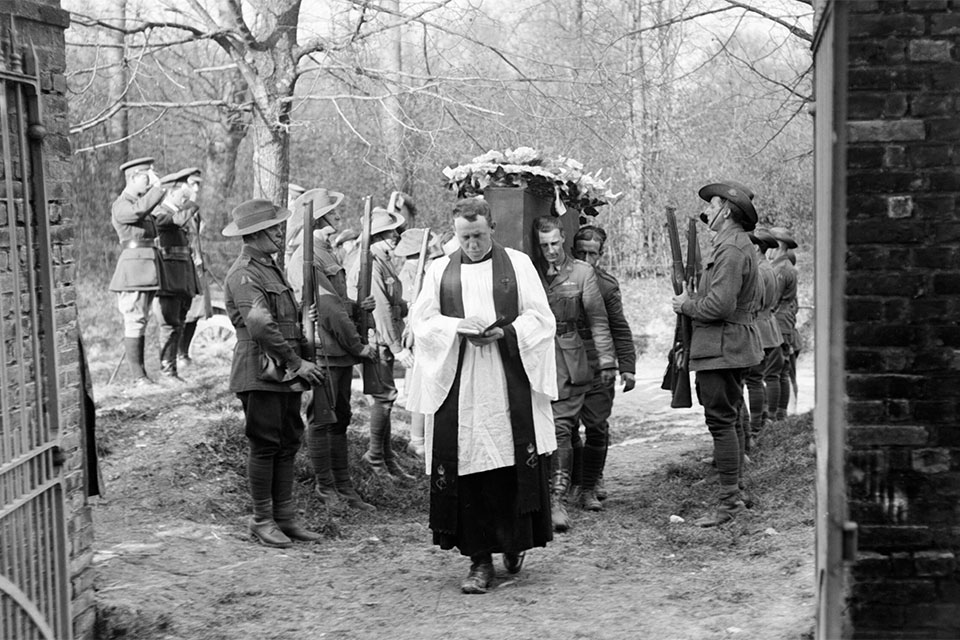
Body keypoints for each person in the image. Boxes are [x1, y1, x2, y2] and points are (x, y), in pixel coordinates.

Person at [405, 197, 558, 594]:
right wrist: (457, 328)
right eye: (463, 237)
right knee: (469, 470)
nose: (471, 244)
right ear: (454, 233)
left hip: (508, 379)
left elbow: (541, 318)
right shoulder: (440, 270)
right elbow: (421, 323)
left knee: (508, 465)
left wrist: (504, 333)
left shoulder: (519, 265)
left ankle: (513, 544)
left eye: (477, 235)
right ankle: (479, 561)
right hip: (461, 384)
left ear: (492, 226)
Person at [222, 198, 325, 548]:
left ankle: (284, 517)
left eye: (279, 227)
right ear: (256, 233)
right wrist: (297, 363)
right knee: (266, 445)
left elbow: (279, 319)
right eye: (274, 228)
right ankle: (262, 519)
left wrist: (302, 322)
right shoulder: (245, 273)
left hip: (280, 370)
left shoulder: (269, 267)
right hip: (260, 371)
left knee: (287, 443)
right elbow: (261, 327)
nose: (280, 233)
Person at [672, 181, 762, 527]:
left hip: (723, 346)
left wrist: (687, 304)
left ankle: (730, 503)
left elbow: (721, 305)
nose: (706, 211)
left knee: (722, 422)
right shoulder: (732, 245)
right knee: (731, 418)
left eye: (711, 205)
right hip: (728, 346)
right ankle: (735, 490)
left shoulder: (731, 248)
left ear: (726, 210)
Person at [286, 187, 378, 511]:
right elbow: (327, 309)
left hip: (336, 351)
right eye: (334, 211)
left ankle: (344, 487)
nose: (340, 215)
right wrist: (359, 346)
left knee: (341, 418)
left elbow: (338, 303)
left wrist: (357, 306)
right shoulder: (306, 256)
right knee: (323, 419)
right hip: (324, 349)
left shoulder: (326, 252)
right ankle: (326, 489)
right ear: (321, 217)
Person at [532, 215, 616, 532]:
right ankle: (556, 498)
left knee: (566, 427)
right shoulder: (532, 271)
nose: (551, 250)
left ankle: (561, 499)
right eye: (544, 245)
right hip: (540, 358)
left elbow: (599, 321)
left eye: (555, 243)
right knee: (558, 430)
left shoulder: (582, 273)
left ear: (563, 240)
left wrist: (608, 361)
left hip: (570, 358)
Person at [570, 225, 636, 510]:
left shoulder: (606, 285)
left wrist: (627, 366)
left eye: (592, 254)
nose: (586, 258)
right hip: (569, 364)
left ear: (601, 255)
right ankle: (576, 479)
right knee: (568, 427)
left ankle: (590, 484)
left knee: (596, 425)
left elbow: (619, 328)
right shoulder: (560, 281)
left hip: (600, 364)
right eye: (581, 252)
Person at [347, 206, 416, 480]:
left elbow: (394, 302)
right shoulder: (369, 265)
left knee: (386, 397)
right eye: (389, 233)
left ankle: (386, 456)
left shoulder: (383, 261)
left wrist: (410, 306)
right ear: (375, 237)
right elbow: (381, 311)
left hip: (383, 340)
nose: (396, 237)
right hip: (375, 340)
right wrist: (397, 348)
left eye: (395, 231)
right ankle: (375, 456)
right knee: (383, 397)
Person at [108, 156, 166, 386]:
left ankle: (141, 374)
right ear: (133, 178)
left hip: (146, 267)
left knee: (141, 319)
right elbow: (138, 212)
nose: (150, 182)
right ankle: (138, 377)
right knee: (134, 319)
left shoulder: (141, 204)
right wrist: (159, 188)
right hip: (133, 269)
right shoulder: (123, 204)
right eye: (146, 177)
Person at [393, 228, 444, 458]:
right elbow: (409, 306)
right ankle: (417, 440)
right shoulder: (409, 273)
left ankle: (424, 439)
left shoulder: (419, 270)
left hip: (426, 334)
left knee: (426, 388)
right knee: (420, 390)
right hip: (417, 336)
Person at [152, 168, 202, 381]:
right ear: (171, 192)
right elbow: (177, 221)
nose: (187, 195)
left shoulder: (175, 212)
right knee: (169, 323)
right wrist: (192, 203)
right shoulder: (160, 213)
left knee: (180, 322)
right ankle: (167, 370)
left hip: (183, 278)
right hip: (169, 279)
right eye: (184, 191)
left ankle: (173, 369)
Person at [744, 227, 783, 451]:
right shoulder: (769, 268)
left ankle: (756, 426)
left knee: (754, 381)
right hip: (769, 326)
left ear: (757, 248)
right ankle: (764, 420)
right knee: (763, 378)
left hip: (759, 328)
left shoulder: (759, 270)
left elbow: (754, 301)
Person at [178, 170, 208, 368]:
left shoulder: (194, 211)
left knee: (197, 310)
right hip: (182, 266)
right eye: (192, 184)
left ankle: (185, 353)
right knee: (183, 311)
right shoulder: (177, 208)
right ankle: (178, 354)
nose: (196, 189)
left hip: (197, 264)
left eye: (198, 184)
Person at [769, 226, 800, 420]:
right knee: (781, 370)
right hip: (783, 320)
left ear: (779, 245)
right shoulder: (785, 266)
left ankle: (776, 415)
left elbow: (773, 300)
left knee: (775, 370)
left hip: (778, 322)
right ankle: (779, 414)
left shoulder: (781, 269)